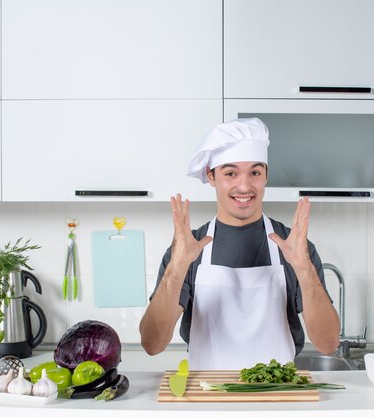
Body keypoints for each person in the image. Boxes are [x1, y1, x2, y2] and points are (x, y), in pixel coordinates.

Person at [139, 118, 340, 370]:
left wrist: (303, 269)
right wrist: (177, 267)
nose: (244, 186)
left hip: (276, 397)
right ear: (211, 176)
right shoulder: (188, 249)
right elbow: (152, 343)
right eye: (230, 173)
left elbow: (328, 343)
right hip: (208, 397)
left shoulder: (295, 247)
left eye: (255, 172)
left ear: (266, 175)